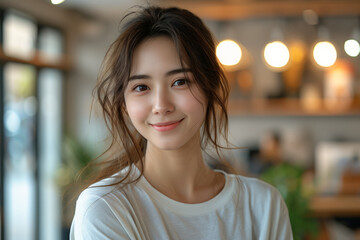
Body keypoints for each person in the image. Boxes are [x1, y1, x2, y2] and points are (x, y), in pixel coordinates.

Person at [70, 5, 293, 240]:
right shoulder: (106, 207)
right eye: (141, 87)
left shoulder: (262, 205)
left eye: (180, 82)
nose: (161, 105)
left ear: (210, 87)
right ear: (123, 103)